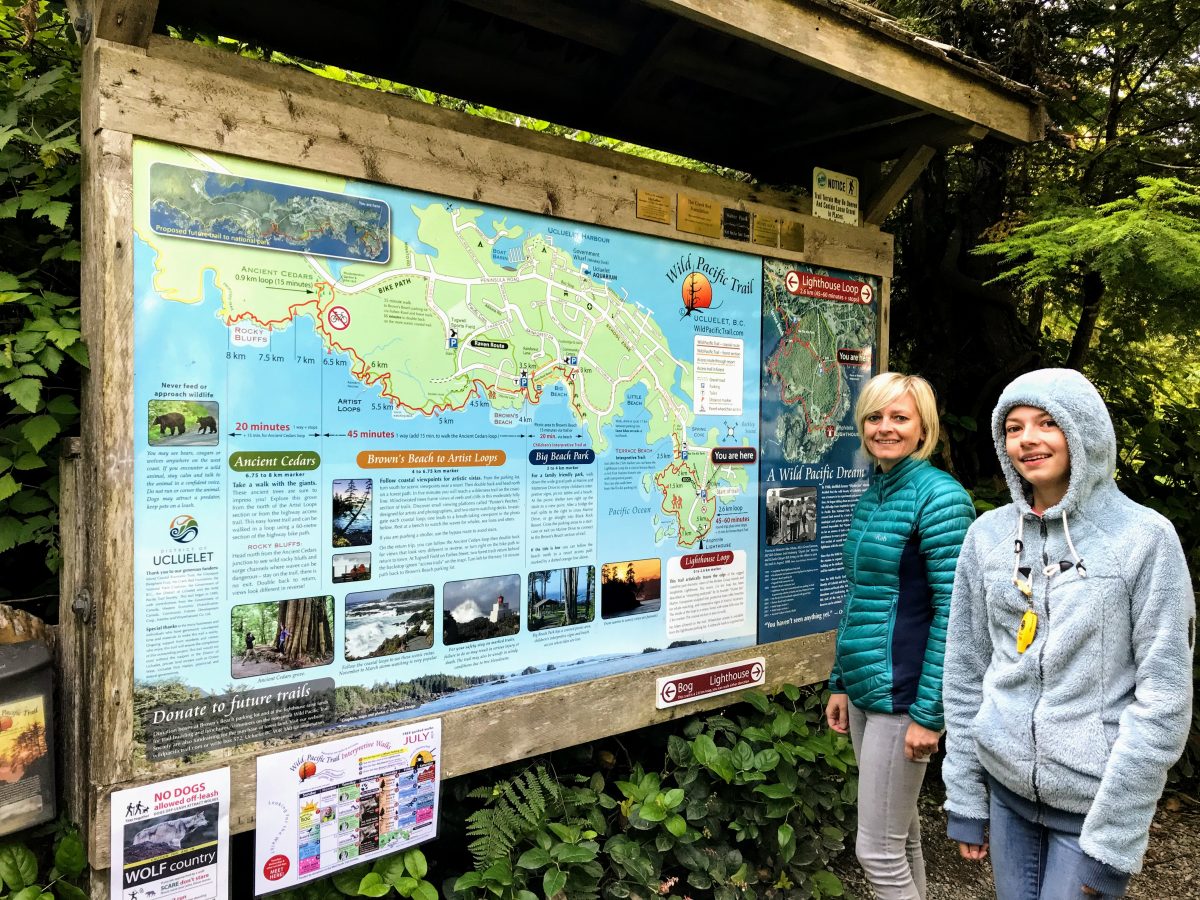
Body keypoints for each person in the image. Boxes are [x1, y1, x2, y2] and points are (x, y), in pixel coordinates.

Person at [942, 368, 1194, 899]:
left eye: (1047, 422)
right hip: (1006, 792)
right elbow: (966, 670)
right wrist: (966, 794)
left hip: (1092, 807)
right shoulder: (986, 537)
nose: (1027, 439)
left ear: (1084, 430)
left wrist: (1115, 838)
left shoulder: (1144, 539)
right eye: (1013, 427)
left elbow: (1164, 699)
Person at [825, 371, 975, 899]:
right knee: (903, 834)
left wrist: (929, 713)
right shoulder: (876, 494)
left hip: (905, 697)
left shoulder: (940, 498)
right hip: (869, 690)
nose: (884, 428)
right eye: (874, 416)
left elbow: (956, 613)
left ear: (923, 428)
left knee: (877, 852)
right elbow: (859, 595)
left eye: (899, 417)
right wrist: (840, 682)